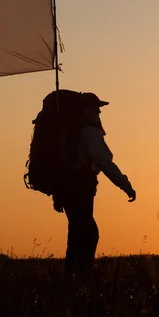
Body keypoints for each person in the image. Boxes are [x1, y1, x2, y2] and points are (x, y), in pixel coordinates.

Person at [52, 92, 136, 282]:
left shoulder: (69, 132)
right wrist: (126, 185)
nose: (99, 111)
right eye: (96, 108)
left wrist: (57, 195)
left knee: (75, 233)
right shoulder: (90, 133)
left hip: (66, 190)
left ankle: (69, 277)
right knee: (90, 234)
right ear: (87, 110)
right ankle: (83, 277)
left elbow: (59, 164)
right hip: (81, 190)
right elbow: (105, 163)